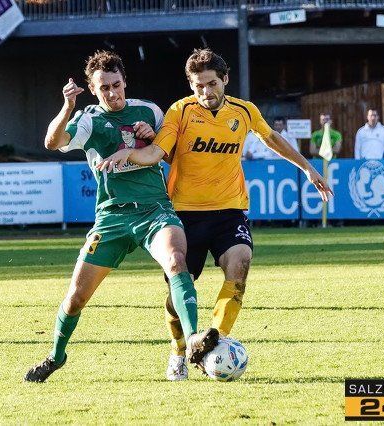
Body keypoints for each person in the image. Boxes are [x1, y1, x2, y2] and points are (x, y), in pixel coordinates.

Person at [97, 48, 332, 381]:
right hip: (184, 215)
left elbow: (271, 138)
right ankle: (179, 351)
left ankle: (213, 340)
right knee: (176, 295)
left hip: (229, 211)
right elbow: (156, 152)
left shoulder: (244, 111)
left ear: (225, 79)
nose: (205, 92)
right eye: (198, 86)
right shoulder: (180, 111)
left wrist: (307, 168)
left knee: (240, 264)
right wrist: (129, 155)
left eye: (211, 84)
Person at [24, 51, 217, 383]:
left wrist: (153, 137)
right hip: (111, 217)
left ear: (125, 81)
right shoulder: (88, 120)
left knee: (176, 260)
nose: (112, 93)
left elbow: (173, 154)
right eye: (104, 88)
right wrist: (67, 107)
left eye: (116, 85)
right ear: (92, 89)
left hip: (155, 209)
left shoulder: (149, 111)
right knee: (76, 298)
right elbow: (52, 142)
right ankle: (56, 356)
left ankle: (193, 341)